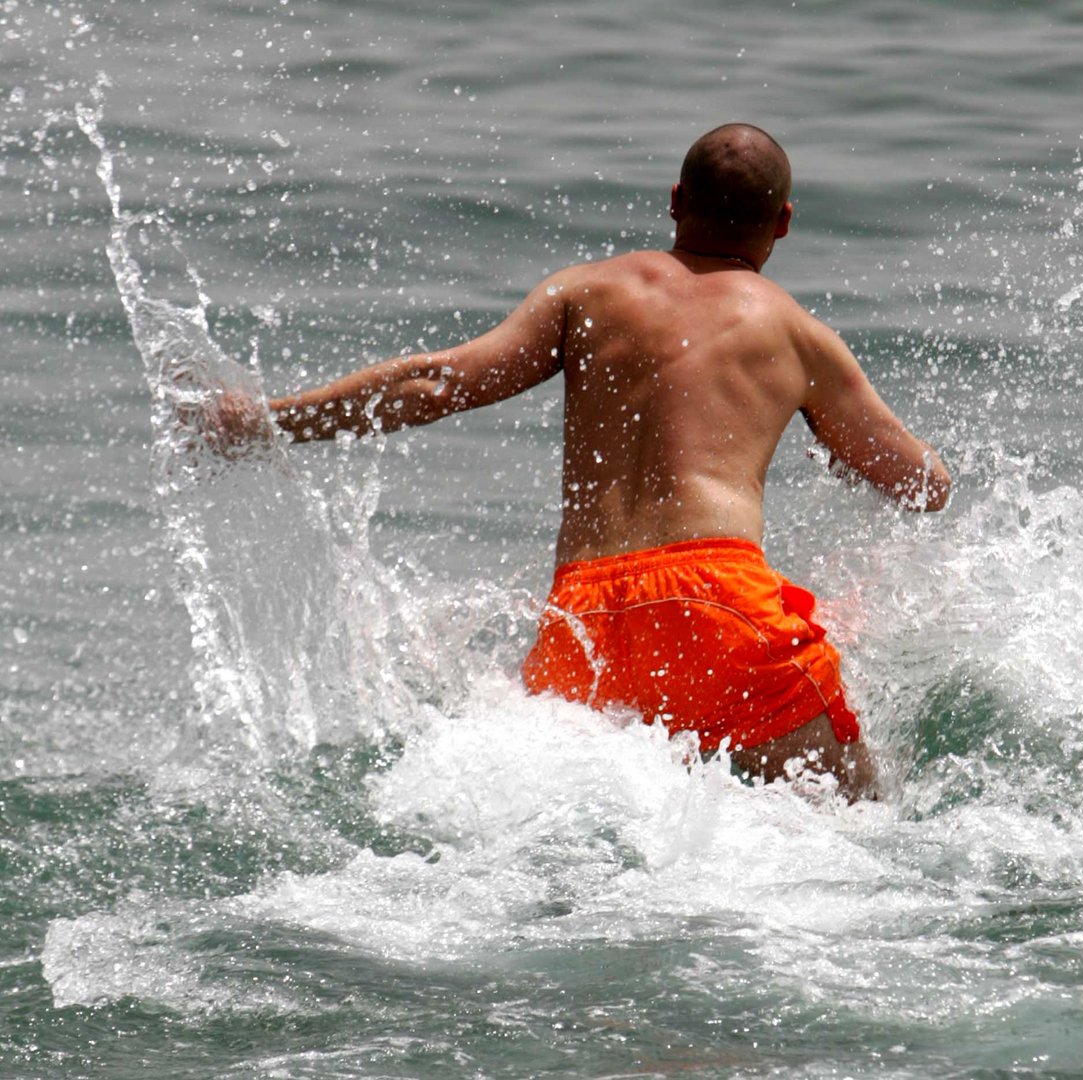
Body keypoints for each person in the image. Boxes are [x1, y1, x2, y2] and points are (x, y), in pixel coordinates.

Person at [217, 123, 950, 800]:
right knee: (859, 815)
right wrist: (842, 454)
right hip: (717, 604)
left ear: (675, 201)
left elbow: (436, 383)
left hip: (583, 623)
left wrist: (268, 421)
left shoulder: (585, 292)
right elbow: (923, 485)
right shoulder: (795, 333)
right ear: (783, 221)